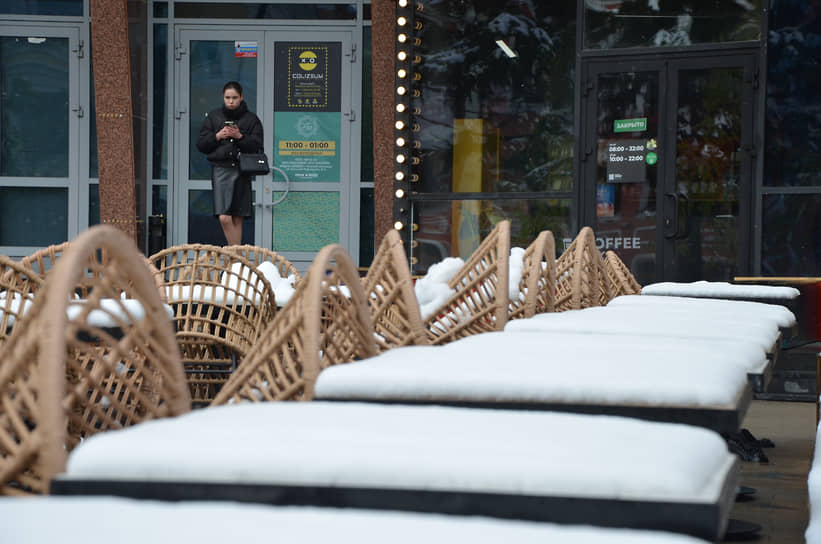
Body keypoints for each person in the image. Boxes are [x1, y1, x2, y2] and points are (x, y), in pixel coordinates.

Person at [196, 81, 263, 246]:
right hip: (221, 169)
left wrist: (240, 136)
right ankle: (237, 254)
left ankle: (235, 258)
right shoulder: (214, 116)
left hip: (242, 170)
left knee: (238, 216)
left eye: (234, 97)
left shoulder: (251, 119)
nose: (231, 101)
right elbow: (201, 145)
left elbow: (258, 145)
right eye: (227, 98)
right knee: (224, 216)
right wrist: (218, 136)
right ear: (223, 97)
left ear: (241, 97)